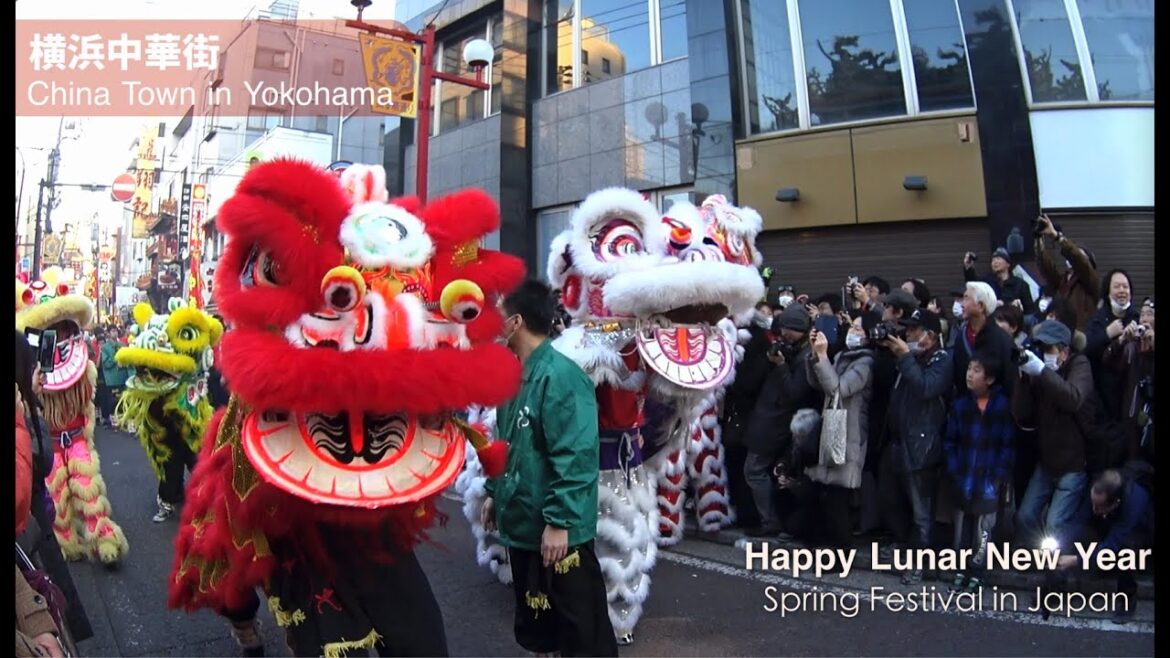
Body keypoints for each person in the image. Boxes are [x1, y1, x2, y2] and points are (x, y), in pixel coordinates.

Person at [483, 280, 617, 657]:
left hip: (558, 534)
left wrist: (559, 522)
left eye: (497, 315)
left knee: (582, 632)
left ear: (516, 322)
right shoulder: (514, 376)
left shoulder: (560, 376)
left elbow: (575, 455)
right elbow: (506, 443)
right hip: (525, 526)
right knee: (540, 627)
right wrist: (494, 493)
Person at [878, 309, 953, 584]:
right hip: (896, 441)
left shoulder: (941, 360)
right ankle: (903, 548)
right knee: (889, 499)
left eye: (913, 330)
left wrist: (905, 357)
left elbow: (926, 388)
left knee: (922, 511)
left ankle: (921, 563)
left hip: (921, 445)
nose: (906, 335)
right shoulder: (909, 358)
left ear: (930, 336)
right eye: (906, 329)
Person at [743, 304, 822, 537]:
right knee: (764, 471)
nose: (785, 333)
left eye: (791, 329)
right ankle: (774, 520)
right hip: (769, 419)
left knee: (754, 470)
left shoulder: (806, 356)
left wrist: (780, 366)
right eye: (784, 327)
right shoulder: (791, 350)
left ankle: (770, 521)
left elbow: (795, 392)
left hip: (776, 422)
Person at [1012, 320, 1094, 545]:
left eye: (1050, 349)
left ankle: (1057, 574)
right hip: (1047, 462)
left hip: (1073, 464)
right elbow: (1022, 413)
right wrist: (1024, 379)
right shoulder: (1039, 373)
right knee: (1025, 516)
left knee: (1054, 523)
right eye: (1041, 348)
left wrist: (1041, 370)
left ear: (1065, 351)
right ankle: (1036, 561)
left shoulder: (1080, 364)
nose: (1044, 354)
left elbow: (1073, 398)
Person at [944, 354, 1014, 593]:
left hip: (988, 479)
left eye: (976, 370)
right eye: (969, 369)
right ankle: (961, 569)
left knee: (983, 530)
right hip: (965, 476)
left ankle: (979, 571)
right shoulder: (962, 404)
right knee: (963, 528)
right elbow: (950, 440)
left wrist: (998, 474)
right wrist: (954, 468)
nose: (969, 374)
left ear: (990, 378)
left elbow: (1007, 444)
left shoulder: (1001, 406)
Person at [804, 313, 875, 549]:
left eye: (859, 329)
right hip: (832, 429)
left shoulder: (865, 363)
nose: (852, 332)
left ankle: (841, 553)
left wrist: (823, 356)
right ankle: (823, 550)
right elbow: (819, 384)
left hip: (849, 434)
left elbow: (838, 389)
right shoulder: (843, 356)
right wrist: (814, 355)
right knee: (823, 495)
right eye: (852, 327)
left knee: (838, 499)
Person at [1054, 468, 1152, 624]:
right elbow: (1079, 521)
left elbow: (1113, 544)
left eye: (1099, 506)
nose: (1094, 509)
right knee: (1064, 541)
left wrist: (1075, 560)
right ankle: (1054, 592)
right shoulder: (1098, 490)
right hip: (1108, 522)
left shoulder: (1135, 502)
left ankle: (1127, 599)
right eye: (1093, 504)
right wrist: (1059, 544)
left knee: (1127, 552)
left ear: (1115, 503)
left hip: (1137, 533)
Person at [1102, 297, 1154, 462]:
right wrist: (1121, 340)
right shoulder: (1132, 348)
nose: (1144, 319)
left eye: (1150, 314)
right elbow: (1107, 361)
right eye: (1142, 314)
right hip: (1129, 423)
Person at [1085, 269, 1140, 422]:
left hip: (1130, 391)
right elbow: (1086, 348)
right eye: (1117, 286)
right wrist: (1107, 334)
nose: (1122, 291)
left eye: (1125, 286)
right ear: (1108, 292)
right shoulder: (1097, 319)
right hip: (1103, 396)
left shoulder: (1137, 317)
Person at [950, 282, 1017, 396]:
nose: (961, 304)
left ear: (980, 306)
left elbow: (1010, 380)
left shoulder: (1002, 340)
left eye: (966, 299)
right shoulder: (961, 336)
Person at [1034, 215, 1099, 331]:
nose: (1072, 258)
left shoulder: (1090, 280)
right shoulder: (1064, 280)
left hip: (1080, 334)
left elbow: (1079, 261)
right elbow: (1047, 269)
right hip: (1060, 331)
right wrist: (1038, 238)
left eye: (1079, 254)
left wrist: (1057, 237)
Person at [963, 247, 1036, 315]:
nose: (995, 262)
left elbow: (1030, 311)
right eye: (993, 260)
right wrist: (968, 268)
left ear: (1008, 264)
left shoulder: (1020, 284)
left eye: (998, 258)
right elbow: (973, 284)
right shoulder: (987, 282)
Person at [99, 328, 129, 426]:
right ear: (108, 333)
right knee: (112, 400)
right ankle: (113, 419)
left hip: (123, 377)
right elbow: (106, 363)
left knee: (122, 400)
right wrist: (116, 360)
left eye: (116, 331)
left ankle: (122, 419)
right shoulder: (105, 347)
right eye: (112, 331)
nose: (114, 333)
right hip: (111, 378)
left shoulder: (122, 345)